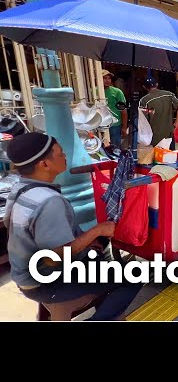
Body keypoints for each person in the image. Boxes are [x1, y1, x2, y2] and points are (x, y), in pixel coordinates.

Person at [2, 132, 142, 320]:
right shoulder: (50, 202)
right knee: (134, 277)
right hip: (46, 282)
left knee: (100, 251)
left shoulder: (21, 189)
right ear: (44, 164)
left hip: (25, 275)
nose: (65, 155)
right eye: (60, 153)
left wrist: (89, 240)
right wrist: (98, 230)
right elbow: (54, 258)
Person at [139, 77, 178, 148]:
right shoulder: (168, 94)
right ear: (157, 84)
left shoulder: (144, 100)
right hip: (168, 132)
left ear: (144, 87)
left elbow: (143, 119)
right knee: (170, 154)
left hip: (154, 135)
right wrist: (176, 122)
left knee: (157, 156)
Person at [102, 69, 128, 148]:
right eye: (104, 78)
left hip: (115, 125)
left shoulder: (117, 92)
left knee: (116, 149)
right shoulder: (94, 91)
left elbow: (123, 111)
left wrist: (124, 127)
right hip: (100, 125)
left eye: (109, 78)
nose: (107, 80)